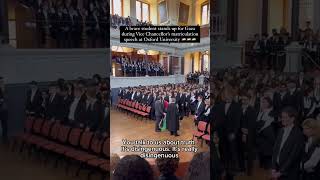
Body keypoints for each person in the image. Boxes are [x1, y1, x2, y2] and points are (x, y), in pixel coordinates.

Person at [271, 106, 304, 180]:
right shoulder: (281, 130)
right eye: (282, 117)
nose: (282, 119)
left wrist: (281, 172)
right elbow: (275, 150)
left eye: (285, 117)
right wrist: (273, 168)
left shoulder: (298, 134)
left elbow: (293, 156)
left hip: (289, 172)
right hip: (277, 168)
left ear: (292, 119)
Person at [256, 96, 276, 170]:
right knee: (261, 149)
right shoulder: (261, 111)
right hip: (261, 133)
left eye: (265, 102)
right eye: (262, 102)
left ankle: (268, 165)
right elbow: (258, 121)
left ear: (269, 103)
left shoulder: (271, 111)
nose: (263, 103)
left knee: (268, 150)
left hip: (268, 133)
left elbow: (266, 123)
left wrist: (259, 128)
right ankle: (262, 163)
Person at [0, 77, 8, 144]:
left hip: (4, 109)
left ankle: (4, 138)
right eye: (1, 81)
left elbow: (7, 97)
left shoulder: (5, 88)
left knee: (5, 124)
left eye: (2, 81)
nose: (2, 82)